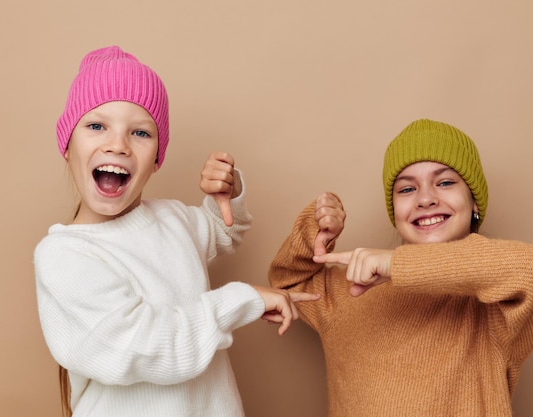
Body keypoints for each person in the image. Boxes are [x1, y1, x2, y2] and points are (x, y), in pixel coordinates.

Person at [34, 45, 319, 417]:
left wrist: (227, 196)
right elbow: (147, 345)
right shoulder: (64, 255)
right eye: (96, 126)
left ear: (156, 160)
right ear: (67, 145)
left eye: (139, 132)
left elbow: (223, 231)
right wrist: (241, 300)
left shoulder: (172, 219)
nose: (117, 145)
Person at [268, 118, 533, 417]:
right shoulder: (350, 289)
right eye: (407, 189)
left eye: (445, 182)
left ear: (474, 202)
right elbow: (288, 283)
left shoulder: (494, 306)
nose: (425, 199)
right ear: (395, 211)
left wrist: (396, 263)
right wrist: (314, 232)